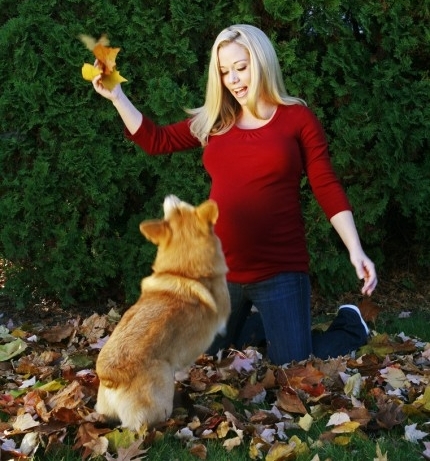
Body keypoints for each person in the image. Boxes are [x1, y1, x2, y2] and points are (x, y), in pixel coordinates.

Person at [91, 24, 377, 365]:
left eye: (242, 68)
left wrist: (355, 249)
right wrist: (117, 97)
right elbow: (156, 140)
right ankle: (263, 326)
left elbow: (325, 184)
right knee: (204, 359)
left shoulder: (297, 119)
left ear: (262, 63)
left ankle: (348, 324)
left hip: (280, 269)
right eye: (225, 72)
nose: (234, 80)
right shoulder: (216, 121)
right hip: (222, 272)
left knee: (295, 368)